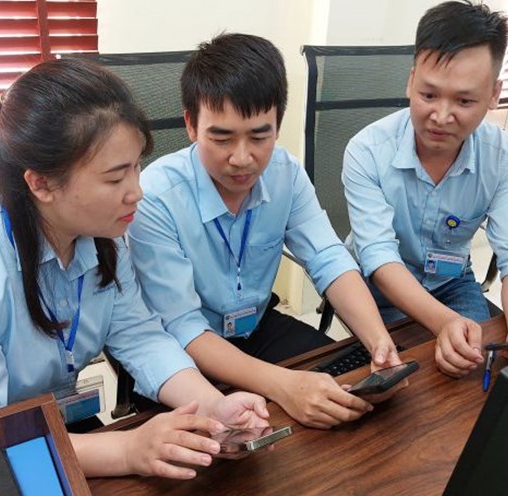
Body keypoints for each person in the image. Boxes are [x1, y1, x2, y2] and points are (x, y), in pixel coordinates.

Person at [0, 58, 269, 480]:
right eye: (115, 179)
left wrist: (212, 406)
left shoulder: (102, 238)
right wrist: (128, 449)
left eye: (136, 167)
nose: (137, 193)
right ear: (40, 183)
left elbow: (140, 336)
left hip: (47, 426)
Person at [128, 33, 402, 430]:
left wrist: (378, 339)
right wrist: (284, 386)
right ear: (190, 124)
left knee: (353, 399)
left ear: (278, 124)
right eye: (221, 137)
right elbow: (183, 325)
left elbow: (327, 257)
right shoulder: (155, 197)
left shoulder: (286, 174)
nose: (242, 158)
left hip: (255, 327)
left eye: (260, 136)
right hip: (186, 352)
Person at [342, 0, 508, 379]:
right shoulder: (366, 150)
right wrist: (443, 323)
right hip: (376, 288)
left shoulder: (501, 156)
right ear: (410, 81)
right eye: (428, 95)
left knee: (477, 369)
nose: (441, 116)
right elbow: (378, 255)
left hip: (451, 282)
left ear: (494, 95)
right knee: (404, 381)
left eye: (464, 100)